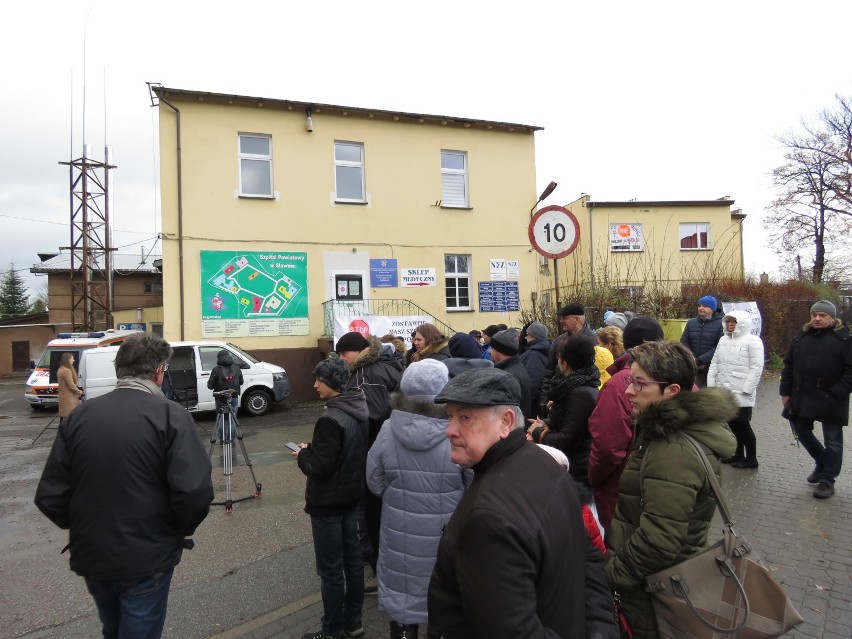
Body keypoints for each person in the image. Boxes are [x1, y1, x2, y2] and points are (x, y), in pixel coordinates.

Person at [35, 333, 213, 639]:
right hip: (147, 558)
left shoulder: (79, 417)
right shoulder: (171, 415)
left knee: (113, 629)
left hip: (94, 555)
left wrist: (86, 525)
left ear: (120, 370)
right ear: (159, 372)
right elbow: (194, 492)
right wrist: (174, 532)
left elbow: (51, 495)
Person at [427, 368, 618, 638]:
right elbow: (590, 564)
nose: (449, 430)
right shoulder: (547, 464)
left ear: (506, 422)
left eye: (465, 418)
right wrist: (601, 631)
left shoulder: (488, 516)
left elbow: (512, 630)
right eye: (450, 417)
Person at [605, 340, 737, 639]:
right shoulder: (664, 433)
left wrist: (613, 575)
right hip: (660, 579)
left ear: (672, 391)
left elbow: (660, 540)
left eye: (639, 383)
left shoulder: (673, 449)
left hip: (657, 587)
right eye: (630, 380)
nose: (628, 391)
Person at [367, 360, 468, 639]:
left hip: (398, 529)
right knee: (443, 599)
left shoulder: (388, 428)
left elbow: (373, 481)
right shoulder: (457, 430)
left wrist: (398, 495)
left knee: (403, 600)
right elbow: (472, 482)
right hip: (446, 531)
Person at [293, 354, 369, 639]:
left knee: (331, 571)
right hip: (350, 498)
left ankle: (332, 630)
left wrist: (303, 454)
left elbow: (318, 468)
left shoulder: (330, 418)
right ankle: (353, 622)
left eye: (318, 380)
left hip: (328, 505)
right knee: (352, 563)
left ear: (331, 383)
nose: (314, 385)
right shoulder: (357, 408)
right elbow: (344, 452)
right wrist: (313, 448)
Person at [336, 331, 404, 592]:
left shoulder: (368, 373)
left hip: (373, 450)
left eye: (344, 354)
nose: (342, 359)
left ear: (359, 351)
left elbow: (372, 416)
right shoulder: (381, 366)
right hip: (385, 449)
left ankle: (374, 561)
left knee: (370, 508)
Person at [587, 317, 665, 532]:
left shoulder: (619, 384)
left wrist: (594, 478)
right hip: (662, 493)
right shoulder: (681, 379)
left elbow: (607, 447)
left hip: (623, 491)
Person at [780, 300, 852, 500]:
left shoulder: (844, 339)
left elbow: (850, 372)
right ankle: (822, 462)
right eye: (814, 315)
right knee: (801, 432)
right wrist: (785, 392)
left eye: (822, 315)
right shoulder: (800, 337)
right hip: (802, 396)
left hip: (832, 399)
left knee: (833, 441)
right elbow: (788, 366)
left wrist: (836, 393)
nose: (817, 319)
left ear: (832, 317)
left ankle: (827, 481)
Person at [527, 334, 600, 502]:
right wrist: (546, 423)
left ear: (564, 363)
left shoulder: (579, 394)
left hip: (577, 471)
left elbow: (567, 439)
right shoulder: (575, 386)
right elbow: (570, 421)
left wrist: (538, 432)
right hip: (574, 466)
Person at [707, 310, 765, 469]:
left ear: (742, 323)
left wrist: (747, 388)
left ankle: (751, 458)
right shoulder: (723, 340)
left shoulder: (753, 341)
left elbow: (756, 367)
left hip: (742, 393)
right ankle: (738, 454)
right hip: (725, 391)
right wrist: (712, 385)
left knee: (743, 425)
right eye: (728, 322)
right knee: (732, 425)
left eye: (733, 322)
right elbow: (714, 363)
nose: (730, 324)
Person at [540, 303, 596, 413]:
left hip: (582, 400)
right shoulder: (559, 340)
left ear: (577, 319)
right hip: (558, 398)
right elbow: (548, 371)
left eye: (565, 318)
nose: (561, 321)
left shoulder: (594, 341)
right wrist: (543, 400)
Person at [487, 329, 533, 421]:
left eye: (492, 348)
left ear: (500, 350)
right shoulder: (516, 367)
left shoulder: (507, 377)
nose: (489, 352)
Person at [679, 294, 724, 387]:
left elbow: (719, 347)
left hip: (711, 369)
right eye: (699, 305)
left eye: (705, 306)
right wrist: (691, 359)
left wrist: (701, 361)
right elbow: (684, 342)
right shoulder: (691, 323)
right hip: (692, 367)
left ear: (713, 309)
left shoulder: (721, 324)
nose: (700, 308)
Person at [207, 349, 244, 441]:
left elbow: (210, 386)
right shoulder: (236, 368)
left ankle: (222, 439)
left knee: (220, 418)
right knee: (233, 418)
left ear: (219, 358)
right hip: (234, 396)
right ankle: (231, 440)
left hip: (220, 398)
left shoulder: (216, 370)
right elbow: (241, 382)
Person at [519, 321, 551, 418]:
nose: (525, 337)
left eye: (527, 335)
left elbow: (533, 382)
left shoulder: (534, 354)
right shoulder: (540, 350)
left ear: (534, 336)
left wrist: (525, 404)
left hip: (532, 408)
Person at [57, 352, 83, 423]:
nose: (73, 360)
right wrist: (79, 391)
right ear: (67, 359)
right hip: (69, 398)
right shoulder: (67, 371)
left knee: (66, 417)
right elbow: (71, 385)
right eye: (72, 358)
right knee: (71, 416)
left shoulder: (61, 369)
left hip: (63, 396)